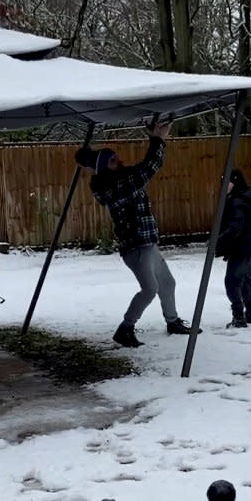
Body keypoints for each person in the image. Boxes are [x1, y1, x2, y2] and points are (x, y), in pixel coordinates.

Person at [75, 118, 195, 348]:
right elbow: (148, 168)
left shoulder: (121, 179)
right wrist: (158, 140)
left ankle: (172, 322)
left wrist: (154, 139)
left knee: (167, 283)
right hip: (137, 247)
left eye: (116, 157)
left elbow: (143, 168)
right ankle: (125, 329)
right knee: (150, 289)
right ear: (103, 168)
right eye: (112, 161)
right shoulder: (112, 188)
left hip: (148, 243)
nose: (119, 161)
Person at [216, 168, 251, 327]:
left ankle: (238, 316)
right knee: (244, 279)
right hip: (248, 245)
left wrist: (218, 241)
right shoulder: (248, 197)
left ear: (234, 183)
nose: (224, 186)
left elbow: (235, 228)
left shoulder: (237, 201)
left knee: (232, 281)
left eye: (226, 183)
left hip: (240, 246)